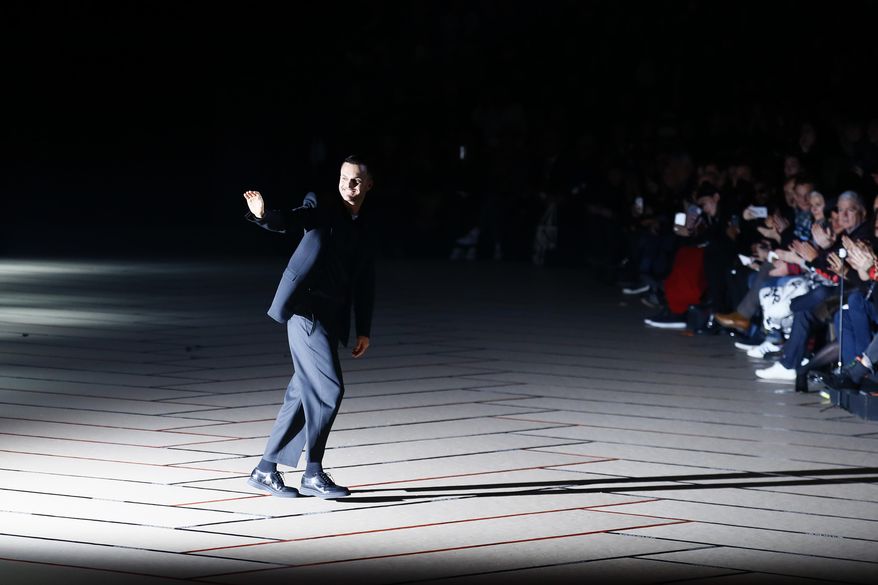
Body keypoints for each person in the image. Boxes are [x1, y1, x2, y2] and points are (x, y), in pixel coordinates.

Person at [241, 155, 376, 499]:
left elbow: (364, 281)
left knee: (302, 395)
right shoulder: (324, 207)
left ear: (369, 185)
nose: (350, 185)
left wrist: (364, 329)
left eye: (357, 180)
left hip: (331, 319)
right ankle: (313, 473)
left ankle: (265, 470)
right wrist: (263, 216)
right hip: (306, 313)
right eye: (345, 178)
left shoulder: (365, 225)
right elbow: (292, 219)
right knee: (329, 391)